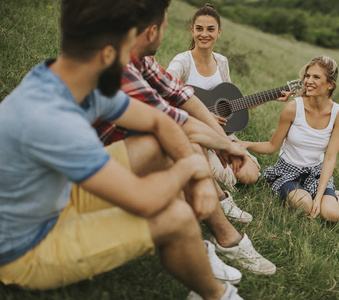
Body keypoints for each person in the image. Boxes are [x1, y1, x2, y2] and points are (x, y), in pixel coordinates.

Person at [0, 0, 244, 298]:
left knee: (158, 146)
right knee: (177, 217)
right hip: (24, 248)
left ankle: (195, 249)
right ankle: (216, 295)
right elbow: (142, 200)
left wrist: (200, 172)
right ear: (107, 53)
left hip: (56, 194)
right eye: (129, 45)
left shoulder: (65, 77)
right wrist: (192, 169)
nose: (133, 58)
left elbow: (159, 121)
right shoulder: (54, 121)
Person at [92, 0, 277, 278]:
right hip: (93, 170)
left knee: (183, 146)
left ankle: (222, 239)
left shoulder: (141, 60)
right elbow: (172, 119)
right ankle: (214, 239)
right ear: (152, 31)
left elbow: (183, 96)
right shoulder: (120, 71)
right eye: (165, 27)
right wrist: (225, 144)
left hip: (120, 154)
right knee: (178, 144)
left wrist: (224, 141)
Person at [167, 4, 294, 191]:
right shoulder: (182, 62)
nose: (204, 34)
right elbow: (165, 92)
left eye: (210, 29)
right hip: (194, 133)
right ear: (192, 30)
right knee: (225, 177)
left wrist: (271, 97)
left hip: (223, 133)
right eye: (199, 28)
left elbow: (231, 105)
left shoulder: (222, 62)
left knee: (250, 175)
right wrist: (203, 114)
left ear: (219, 32)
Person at [238, 55, 339, 222]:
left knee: (331, 214)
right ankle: (303, 194)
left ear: (330, 85)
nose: (308, 81)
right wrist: (247, 144)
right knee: (305, 205)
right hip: (287, 171)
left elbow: (330, 158)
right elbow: (272, 146)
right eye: (307, 75)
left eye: (316, 77)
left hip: (316, 173)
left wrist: (320, 196)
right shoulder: (294, 107)